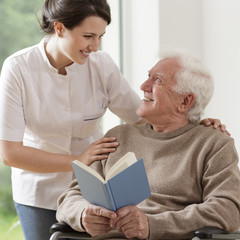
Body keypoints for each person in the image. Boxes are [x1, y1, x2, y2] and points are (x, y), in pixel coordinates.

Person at [0, 0, 226, 239]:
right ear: (59, 29)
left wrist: (196, 124)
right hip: (41, 188)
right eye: (88, 36)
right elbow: (10, 153)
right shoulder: (18, 69)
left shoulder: (101, 65)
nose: (95, 46)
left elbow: (146, 117)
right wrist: (78, 160)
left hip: (94, 190)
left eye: (100, 36)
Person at [56, 50, 240, 240]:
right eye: (148, 77)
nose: (143, 86)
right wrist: (83, 213)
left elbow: (227, 210)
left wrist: (152, 225)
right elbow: (70, 197)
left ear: (185, 101)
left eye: (158, 80)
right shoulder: (117, 137)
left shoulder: (214, 144)